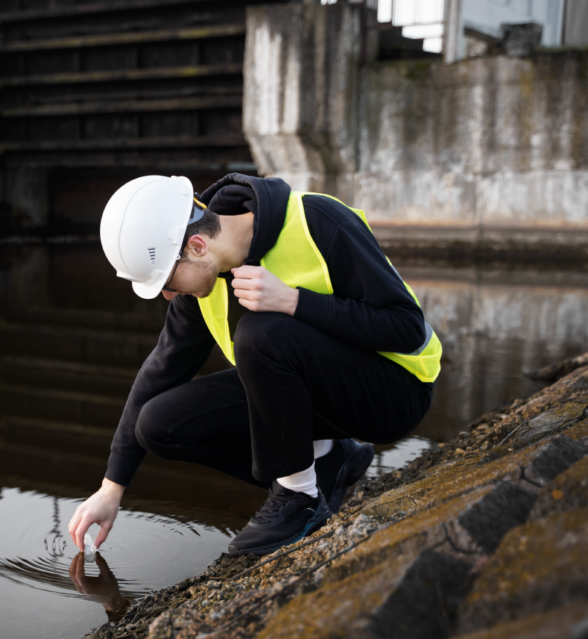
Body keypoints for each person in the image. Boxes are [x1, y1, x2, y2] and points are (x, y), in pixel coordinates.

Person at [67, 173, 441, 556]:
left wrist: (295, 301)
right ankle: (327, 461)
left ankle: (299, 500)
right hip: (325, 401)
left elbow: (407, 327)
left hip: (395, 393)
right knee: (159, 424)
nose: (166, 294)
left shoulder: (318, 220)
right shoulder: (203, 280)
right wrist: (111, 487)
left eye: (166, 280)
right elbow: (161, 370)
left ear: (197, 246)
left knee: (260, 333)